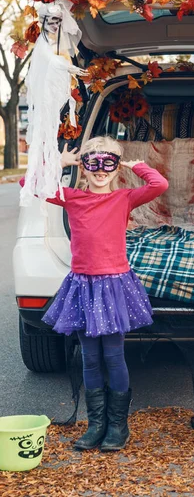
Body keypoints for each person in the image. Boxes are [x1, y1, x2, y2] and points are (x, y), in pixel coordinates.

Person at [21, 136, 168, 451]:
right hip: (83, 285)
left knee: (113, 356)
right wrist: (58, 164)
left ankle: (118, 426)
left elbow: (159, 186)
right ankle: (96, 423)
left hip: (113, 285)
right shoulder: (72, 197)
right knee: (89, 358)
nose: (100, 170)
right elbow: (28, 183)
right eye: (93, 163)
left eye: (108, 163)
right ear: (84, 168)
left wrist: (137, 166)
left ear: (116, 169)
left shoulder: (124, 198)